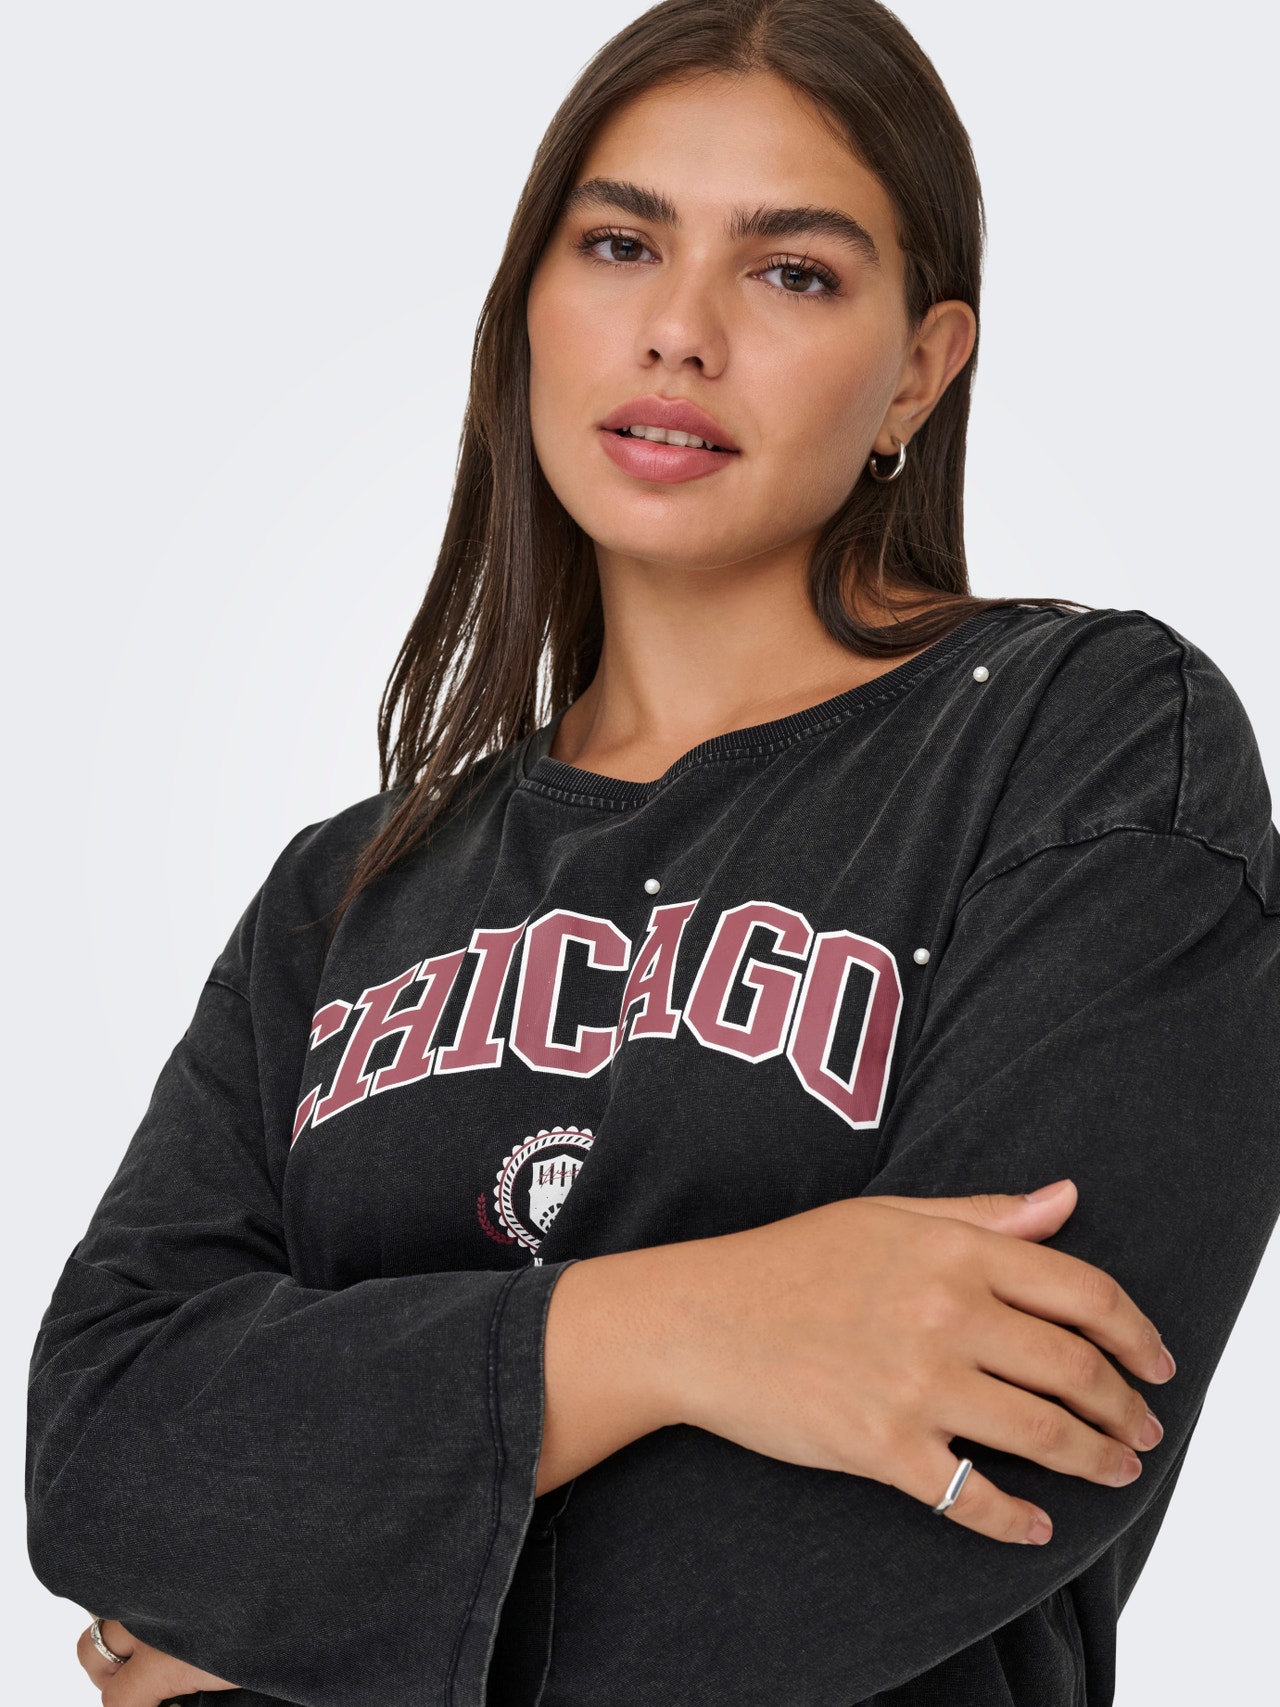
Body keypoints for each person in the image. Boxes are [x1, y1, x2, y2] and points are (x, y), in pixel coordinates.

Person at [27, 1, 1280, 1704]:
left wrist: (290, 1609)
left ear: (919, 368)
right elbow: (104, 1454)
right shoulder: (344, 892)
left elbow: (1001, 1462)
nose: (679, 331)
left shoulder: (1085, 744)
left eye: (793, 273)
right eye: (620, 244)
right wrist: (689, 1327)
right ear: (529, 306)